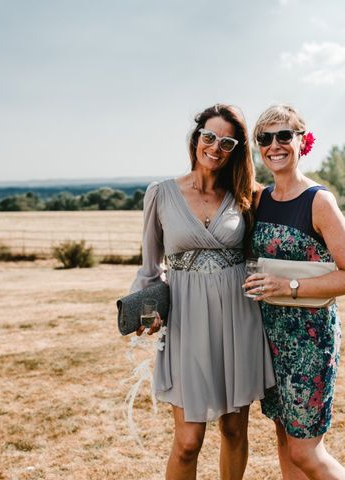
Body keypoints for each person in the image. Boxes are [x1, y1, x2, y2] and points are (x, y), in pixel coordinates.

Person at [130, 104, 275, 480]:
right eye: (209, 137)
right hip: (186, 323)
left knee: (233, 430)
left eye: (226, 142)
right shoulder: (161, 194)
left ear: (236, 150)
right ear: (196, 139)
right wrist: (147, 311)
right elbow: (150, 267)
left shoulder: (246, 197)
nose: (215, 147)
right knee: (189, 440)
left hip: (237, 319)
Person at [243, 104, 345, 480]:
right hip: (270, 336)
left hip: (309, 340)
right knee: (283, 436)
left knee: (307, 451)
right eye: (265, 138)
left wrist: (290, 286)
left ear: (303, 141)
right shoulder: (260, 199)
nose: (274, 145)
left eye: (284, 136)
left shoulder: (318, 201)